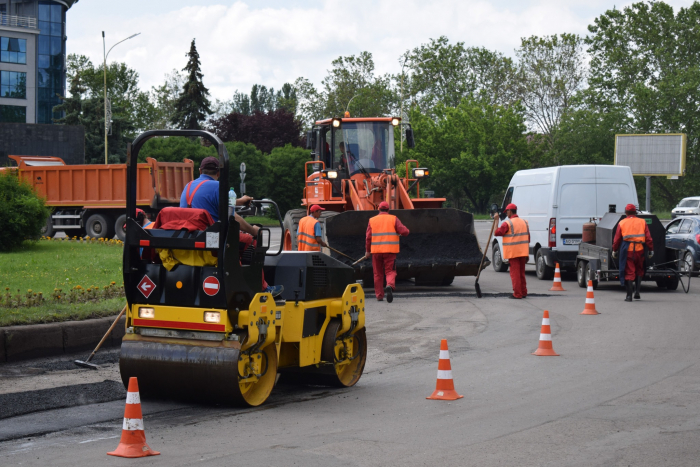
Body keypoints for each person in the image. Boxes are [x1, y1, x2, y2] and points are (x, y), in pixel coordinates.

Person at [181, 156, 283, 297]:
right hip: (213, 239)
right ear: (218, 173)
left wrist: (240, 201)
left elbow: (215, 202)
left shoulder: (188, 187)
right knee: (251, 241)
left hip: (191, 237)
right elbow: (232, 217)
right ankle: (261, 287)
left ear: (199, 171)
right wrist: (253, 230)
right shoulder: (218, 186)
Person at [363, 201, 410, 303]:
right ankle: (389, 285)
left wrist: (367, 251)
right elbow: (405, 232)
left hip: (376, 252)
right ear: (388, 210)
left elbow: (368, 238)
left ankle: (379, 296)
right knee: (390, 271)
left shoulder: (372, 220)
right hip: (390, 251)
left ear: (378, 209)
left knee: (377, 274)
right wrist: (400, 232)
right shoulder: (393, 218)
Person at [612, 204, 654, 301]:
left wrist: (614, 250)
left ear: (626, 212)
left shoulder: (622, 223)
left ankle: (629, 296)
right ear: (635, 212)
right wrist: (651, 250)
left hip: (628, 250)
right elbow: (648, 238)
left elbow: (617, 239)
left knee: (629, 272)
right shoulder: (642, 222)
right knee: (640, 270)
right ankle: (637, 292)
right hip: (640, 249)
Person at [494, 203, 530, 299]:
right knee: (521, 273)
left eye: (507, 212)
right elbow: (528, 238)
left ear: (510, 211)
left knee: (515, 274)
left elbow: (497, 233)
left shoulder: (508, 223)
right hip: (523, 252)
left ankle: (517, 294)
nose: (506, 214)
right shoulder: (524, 222)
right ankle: (523, 292)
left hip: (513, 253)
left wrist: (496, 221)